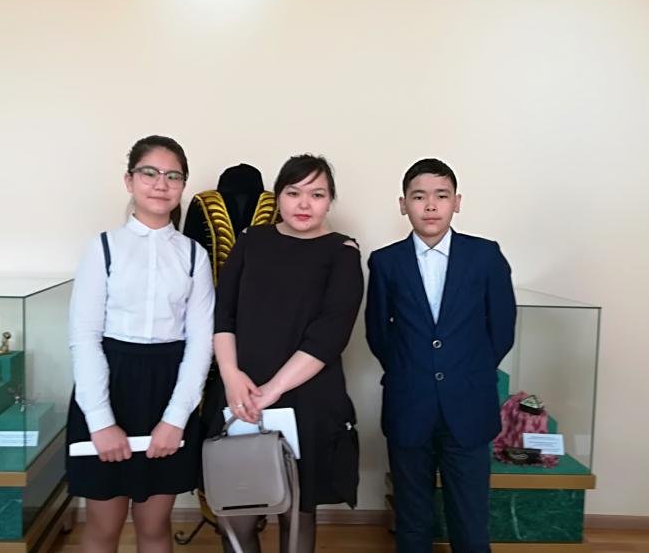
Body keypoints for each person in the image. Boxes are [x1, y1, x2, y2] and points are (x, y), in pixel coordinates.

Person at [208, 154, 363, 553]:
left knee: (296, 515)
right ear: (277, 197)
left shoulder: (343, 252)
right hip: (240, 394)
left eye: (317, 194)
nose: (304, 203)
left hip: (306, 398)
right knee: (235, 512)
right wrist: (230, 375)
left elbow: (329, 335)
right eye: (294, 193)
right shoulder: (251, 241)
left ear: (330, 200)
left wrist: (273, 390)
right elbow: (223, 313)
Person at [66, 135, 214, 553]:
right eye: (149, 173)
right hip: (108, 384)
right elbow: (84, 336)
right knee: (103, 528)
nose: (161, 184)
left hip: (168, 388)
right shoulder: (103, 248)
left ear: (183, 185)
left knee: (154, 526)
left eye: (173, 176)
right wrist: (100, 420)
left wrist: (176, 418)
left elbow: (200, 344)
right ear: (129, 180)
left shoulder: (194, 255)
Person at [365, 158, 516, 553]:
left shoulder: (485, 256)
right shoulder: (385, 261)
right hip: (408, 404)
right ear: (403, 205)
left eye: (441, 196)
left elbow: (502, 329)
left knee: (470, 518)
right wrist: (410, 371)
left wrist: (468, 371)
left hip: (468, 404)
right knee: (412, 518)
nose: (430, 205)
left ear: (457, 202)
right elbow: (378, 333)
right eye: (419, 197)